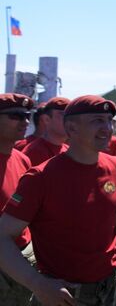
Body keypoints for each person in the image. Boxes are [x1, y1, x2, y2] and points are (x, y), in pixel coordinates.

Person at [0, 95, 116, 306]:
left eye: (109, 120)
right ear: (71, 128)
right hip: (62, 293)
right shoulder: (41, 177)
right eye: (97, 121)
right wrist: (37, 283)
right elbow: (3, 237)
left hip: (108, 284)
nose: (107, 127)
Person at [0, 94, 35, 305]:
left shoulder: (22, 159)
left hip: (22, 257)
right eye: (16, 116)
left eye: (27, 116)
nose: (25, 122)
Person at [22, 97, 70, 166]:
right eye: (63, 115)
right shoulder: (33, 152)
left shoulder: (68, 150)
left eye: (70, 117)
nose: (69, 121)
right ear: (46, 119)